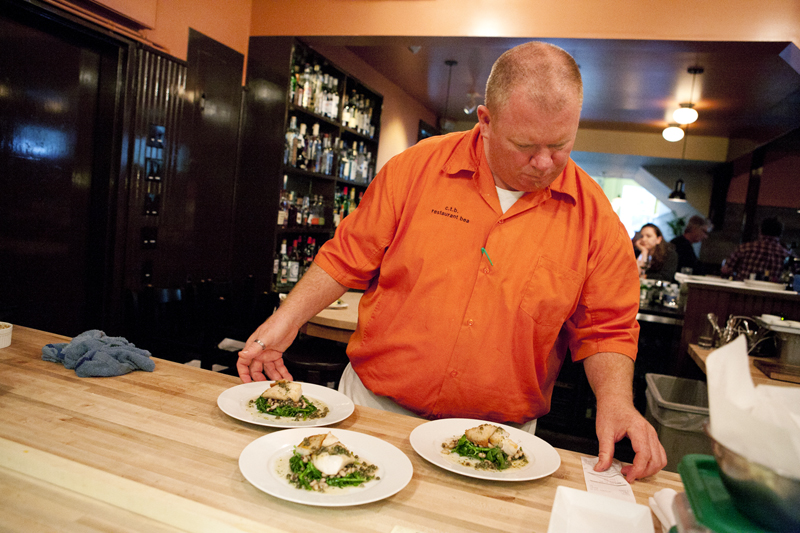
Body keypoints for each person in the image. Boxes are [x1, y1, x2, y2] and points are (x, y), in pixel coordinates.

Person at [238, 41, 666, 482]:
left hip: (498, 443)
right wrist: (286, 318)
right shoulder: (416, 168)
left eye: (560, 145)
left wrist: (617, 402)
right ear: (485, 121)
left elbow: (607, 328)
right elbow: (348, 255)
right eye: (525, 145)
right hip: (376, 411)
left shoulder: (595, 218)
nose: (543, 163)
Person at [721, 217, 790, 281]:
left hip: (743, 290)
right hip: (771, 292)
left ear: (760, 231)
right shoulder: (786, 255)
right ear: (780, 234)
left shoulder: (744, 248)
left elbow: (726, 270)